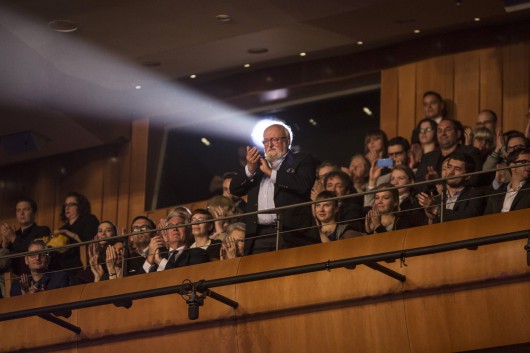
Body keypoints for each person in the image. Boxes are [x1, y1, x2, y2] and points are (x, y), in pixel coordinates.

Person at [230, 123, 319, 254]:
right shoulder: (257, 167)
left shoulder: (302, 159)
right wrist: (250, 169)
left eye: (274, 140)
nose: (269, 145)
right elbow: (234, 189)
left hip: (291, 233)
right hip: (258, 235)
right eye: (266, 141)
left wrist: (270, 172)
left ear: (287, 141)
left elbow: (303, 185)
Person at [415, 119, 482, 192]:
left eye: (448, 130)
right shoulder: (427, 157)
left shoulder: (471, 152)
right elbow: (418, 185)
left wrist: (439, 180)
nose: (443, 133)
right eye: (439, 131)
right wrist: (429, 182)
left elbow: (474, 180)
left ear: (458, 134)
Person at [417, 152, 486, 224]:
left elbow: (469, 220)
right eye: (449, 167)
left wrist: (436, 209)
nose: (451, 172)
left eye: (457, 169)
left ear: (468, 176)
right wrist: (430, 218)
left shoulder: (475, 195)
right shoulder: (436, 199)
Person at [50, 192, 99, 278]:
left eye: (72, 204)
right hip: (63, 270)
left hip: (84, 269)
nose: (67, 207)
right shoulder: (63, 228)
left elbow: (89, 241)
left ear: (80, 206)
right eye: (66, 205)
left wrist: (66, 233)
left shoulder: (89, 220)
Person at [143, 210, 209, 272]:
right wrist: (149, 260)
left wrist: (160, 262)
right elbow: (137, 280)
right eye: (171, 226)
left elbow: (185, 275)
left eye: (180, 225)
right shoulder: (158, 254)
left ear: (188, 230)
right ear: (166, 233)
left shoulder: (198, 254)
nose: (175, 228)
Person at [0, 197, 51, 276]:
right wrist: (5, 244)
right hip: (13, 278)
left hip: (34, 276)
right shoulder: (14, 234)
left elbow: (33, 252)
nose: (22, 213)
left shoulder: (42, 230)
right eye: (18, 210)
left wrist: (13, 238)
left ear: (34, 213)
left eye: (26, 209)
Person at [364, 136, 411, 207]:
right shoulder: (382, 179)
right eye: (391, 155)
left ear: (408, 153)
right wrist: (372, 180)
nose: (394, 157)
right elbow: (369, 207)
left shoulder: (416, 171)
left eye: (398, 153)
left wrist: (401, 169)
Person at [484, 147, 530, 214]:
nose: (529, 166)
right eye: (524, 162)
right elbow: (486, 220)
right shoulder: (496, 195)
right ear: (512, 166)